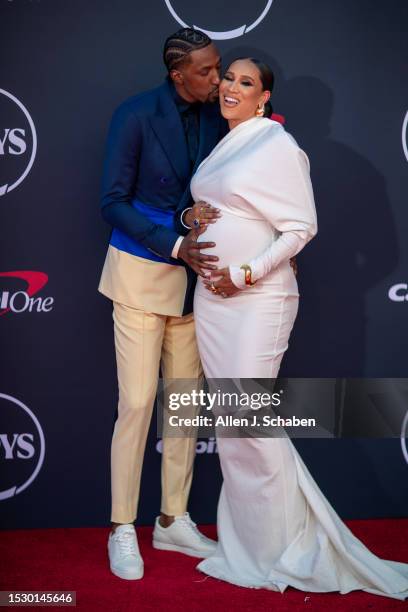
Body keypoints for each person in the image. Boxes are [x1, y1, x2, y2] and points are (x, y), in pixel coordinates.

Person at [183, 57, 408, 599]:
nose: (231, 88)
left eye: (245, 82)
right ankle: (251, 548)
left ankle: (295, 548)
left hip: (258, 297)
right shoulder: (224, 143)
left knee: (251, 421)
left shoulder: (276, 145)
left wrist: (245, 272)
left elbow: (300, 226)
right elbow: (212, 205)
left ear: (264, 97)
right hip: (212, 302)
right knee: (235, 426)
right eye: (229, 79)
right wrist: (192, 219)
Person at [98, 28, 226, 580]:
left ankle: (172, 520)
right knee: (137, 404)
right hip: (141, 277)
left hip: (197, 287)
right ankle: (122, 526)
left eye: (218, 68)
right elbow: (113, 202)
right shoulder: (134, 115)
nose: (217, 79)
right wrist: (174, 241)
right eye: (206, 71)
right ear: (177, 74)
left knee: (183, 407)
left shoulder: (220, 116)